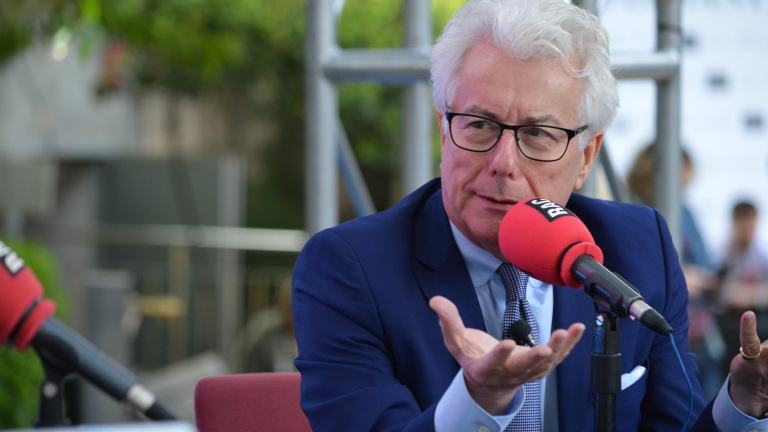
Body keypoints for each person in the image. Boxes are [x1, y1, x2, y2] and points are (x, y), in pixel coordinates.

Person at [292, 0, 768, 430]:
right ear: (444, 132)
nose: (503, 163)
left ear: (586, 157)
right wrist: (477, 401)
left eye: (538, 134)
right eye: (479, 125)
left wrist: (743, 404)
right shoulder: (349, 269)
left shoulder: (638, 249)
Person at [626, 143, 724, 400]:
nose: (681, 191)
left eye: (685, 184)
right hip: (652, 330)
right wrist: (679, 279)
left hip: (699, 329)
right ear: (651, 175)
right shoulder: (631, 211)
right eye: (677, 182)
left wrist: (706, 278)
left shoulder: (686, 213)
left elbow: (705, 261)